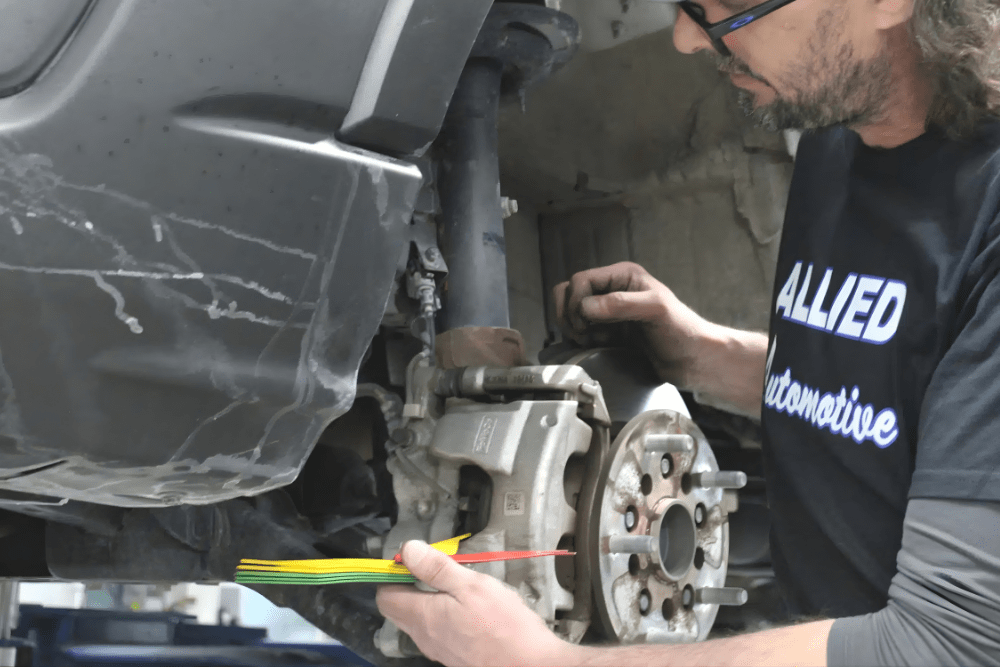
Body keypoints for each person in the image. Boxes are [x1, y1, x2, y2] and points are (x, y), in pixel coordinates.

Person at [377, 0, 1000, 664]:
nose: (684, 38)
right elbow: (908, 394)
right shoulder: (837, 133)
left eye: (723, 8)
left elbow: (945, 644)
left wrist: (545, 662)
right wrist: (706, 355)